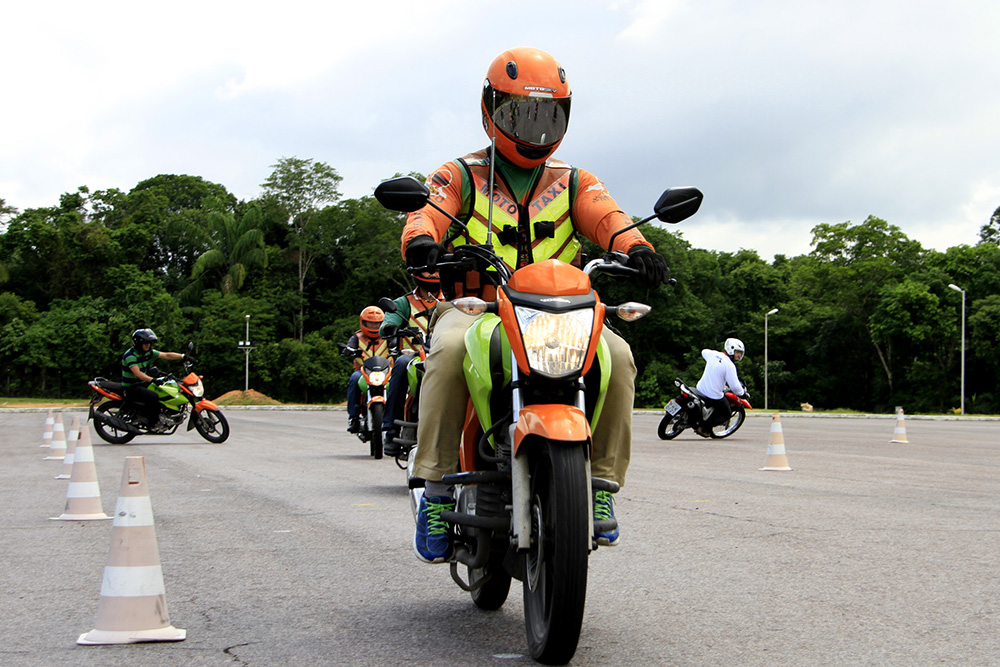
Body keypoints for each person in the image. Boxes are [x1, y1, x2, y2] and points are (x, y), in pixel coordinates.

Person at [401, 47, 671, 563]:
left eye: (547, 116)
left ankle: (598, 485)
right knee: (449, 349)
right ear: (490, 110)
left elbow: (607, 215)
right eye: (520, 114)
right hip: (478, 308)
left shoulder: (574, 181)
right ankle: (434, 487)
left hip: (561, 312)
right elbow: (428, 213)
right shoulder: (460, 174)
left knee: (619, 356)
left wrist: (637, 248)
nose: (534, 129)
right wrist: (422, 243)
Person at [378, 269, 443, 456]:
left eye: (436, 270)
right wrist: (389, 326)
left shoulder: (450, 299)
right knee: (399, 364)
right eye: (428, 271)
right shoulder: (404, 303)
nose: (432, 274)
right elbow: (388, 321)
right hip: (413, 356)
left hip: (444, 354)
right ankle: (391, 430)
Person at [121, 328, 187, 430]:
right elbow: (137, 373)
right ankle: (153, 423)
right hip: (132, 387)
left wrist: (183, 356)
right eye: (145, 343)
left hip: (142, 384)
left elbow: (166, 355)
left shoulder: (147, 352)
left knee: (162, 391)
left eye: (149, 343)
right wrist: (152, 380)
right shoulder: (130, 356)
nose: (148, 345)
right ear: (138, 343)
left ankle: (162, 416)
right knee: (153, 396)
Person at [344, 306, 388, 434]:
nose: (374, 327)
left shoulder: (388, 336)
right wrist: (348, 350)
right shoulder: (357, 337)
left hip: (386, 372)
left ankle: (397, 416)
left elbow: (396, 344)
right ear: (363, 322)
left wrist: (396, 348)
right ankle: (354, 417)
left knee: (398, 383)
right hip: (362, 372)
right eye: (370, 323)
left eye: (377, 324)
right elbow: (349, 346)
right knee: (354, 379)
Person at [694, 338, 749, 436]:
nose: (739, 355)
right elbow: (735, 387)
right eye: (737, 352)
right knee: (726, 412)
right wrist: (743, 394)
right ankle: (704, 427)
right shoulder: (730, 366)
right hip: (713, 395)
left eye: (740, 353)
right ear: (731, 349)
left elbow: (704, 351)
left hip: (699, 388)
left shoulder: (713, 354)